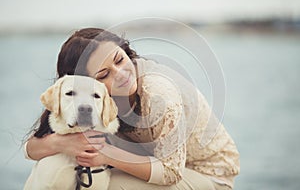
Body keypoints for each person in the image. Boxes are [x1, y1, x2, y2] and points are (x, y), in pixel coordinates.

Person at [24, 28, 240, 190]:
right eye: (103, 74)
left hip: (206, 175)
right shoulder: (85, 99)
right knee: (51, 166)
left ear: (126, 51)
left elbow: (171, 171)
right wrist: (60, 142)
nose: (120, 74)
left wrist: (107, 155)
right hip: (145, 165)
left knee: (106, 186)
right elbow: (31, 149)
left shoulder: (159, 93)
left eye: (119, 59)